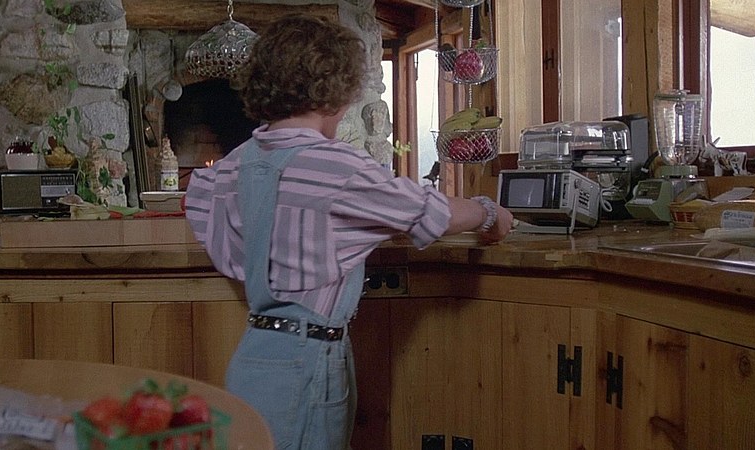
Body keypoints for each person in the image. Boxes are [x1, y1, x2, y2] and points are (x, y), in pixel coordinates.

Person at [184, 13, 513, 450]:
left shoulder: (233, 165)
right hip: (308, 359)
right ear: (336, 94)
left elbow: (202, 207)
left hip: (252, 355)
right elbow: (430, 210)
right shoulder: (337, 168)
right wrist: (488, 212)